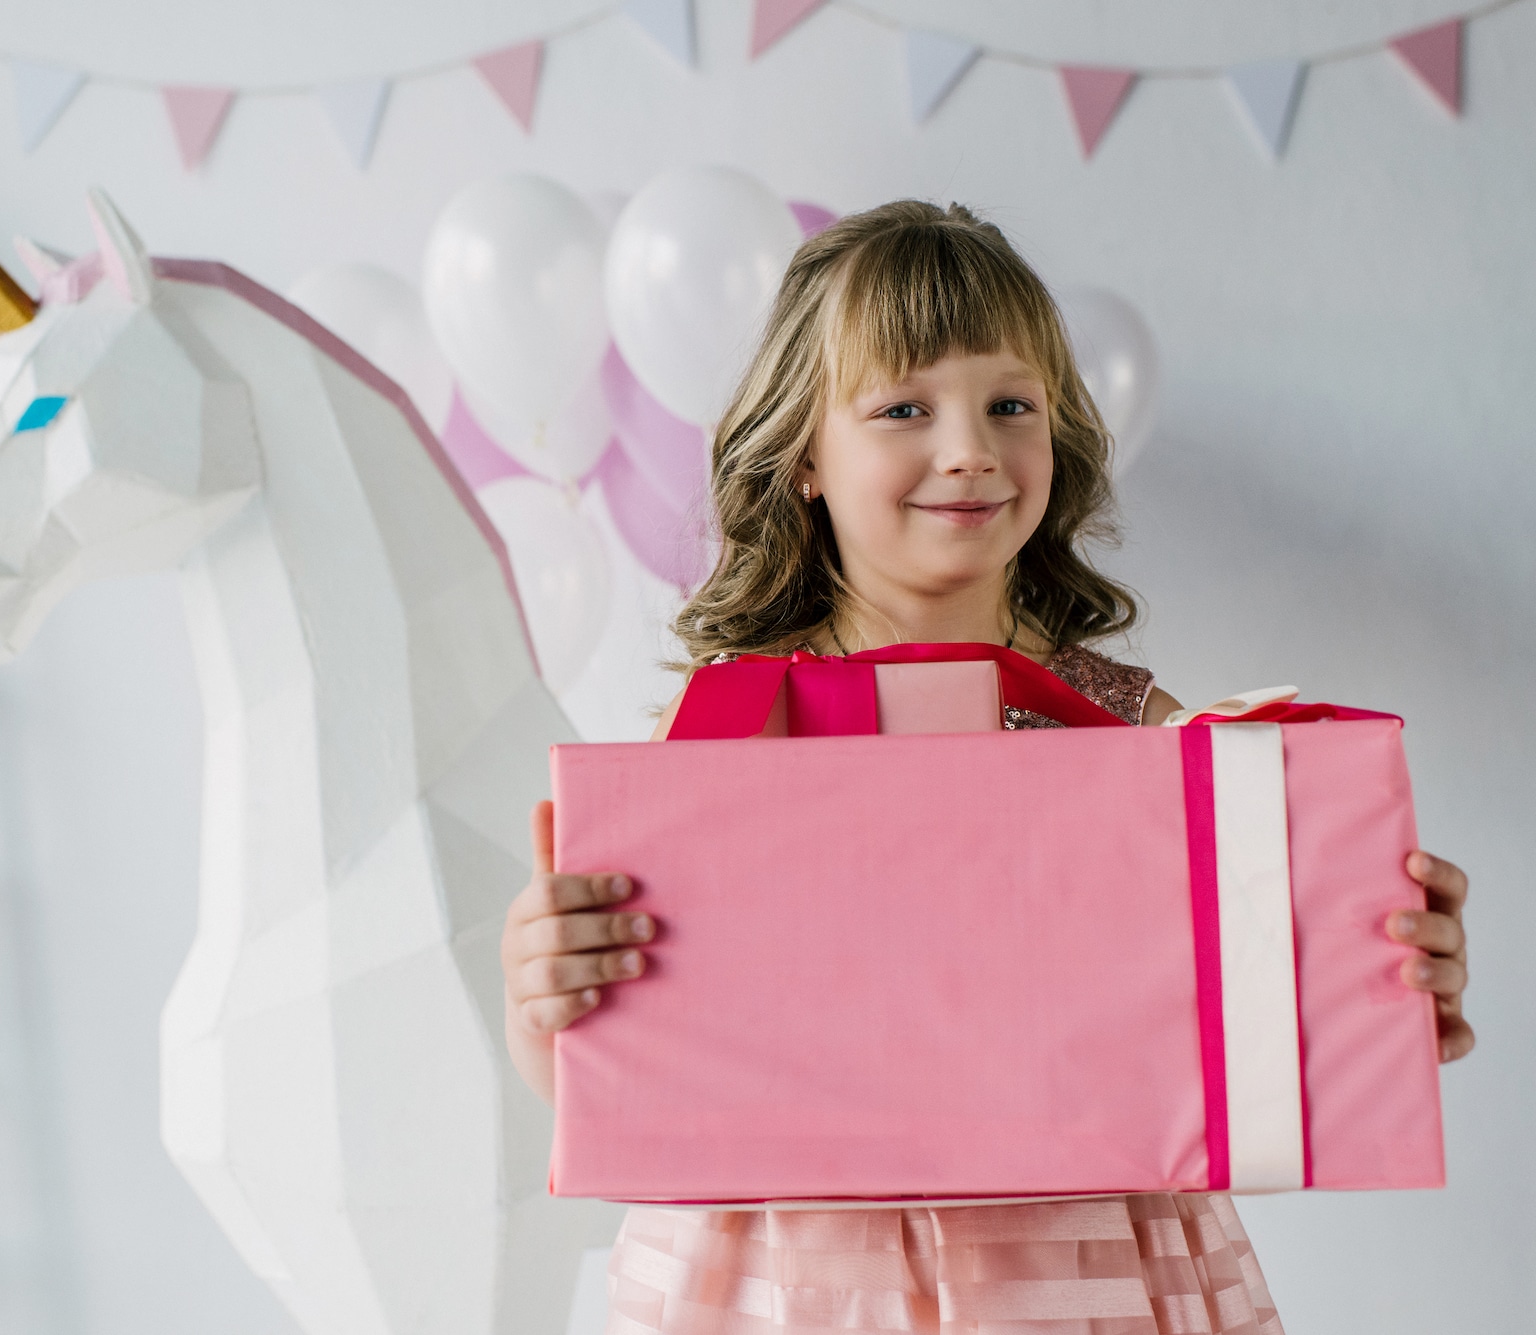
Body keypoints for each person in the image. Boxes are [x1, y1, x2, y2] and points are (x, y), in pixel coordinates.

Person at [498, 201, 1474, 1334]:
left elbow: (1246, 1012)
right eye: (903, 407)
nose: (967, 448)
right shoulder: (727, 735)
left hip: (1085, 1272)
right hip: (789, 1282)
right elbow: (623, 1077)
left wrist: (1378, 978)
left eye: (1008, 404)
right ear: (803, 456)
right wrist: (544, 1000)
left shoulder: (1141, 734)